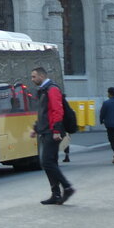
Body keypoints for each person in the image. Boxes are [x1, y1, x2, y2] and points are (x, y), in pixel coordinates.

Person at [29, 66, 76, 205]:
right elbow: (44, 113)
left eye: (34, 76)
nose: (32, 79)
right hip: (46, 131)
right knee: (51, 162)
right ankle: (55, 194)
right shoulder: (44, 90)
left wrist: (56, 130)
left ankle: (67, 187)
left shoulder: (52, 89)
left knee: (47, 162)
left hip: (52, 132)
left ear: (41, 76)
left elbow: (57, 111)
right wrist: (36, 128)